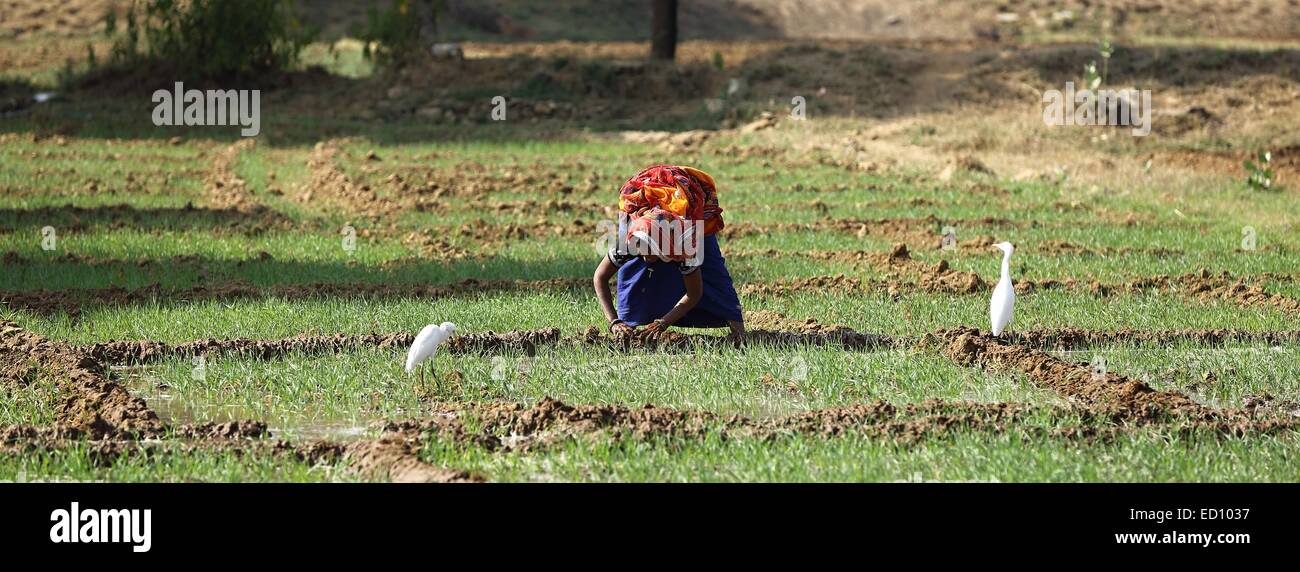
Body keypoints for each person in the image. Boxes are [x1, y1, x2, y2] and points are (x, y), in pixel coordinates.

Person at [592, 165, 745, 340]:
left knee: (712, 269)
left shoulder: (685, 243)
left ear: (667, 247)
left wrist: (663, 322)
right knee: (633, 273)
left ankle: (739, 332)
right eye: (642, 251)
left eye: (651, 253)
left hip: (690, 201)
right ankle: (627, 325)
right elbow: (600, 277)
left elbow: (694, 294)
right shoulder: (630, 240)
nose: (646, 258)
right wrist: (614, 321)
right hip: (644, 196)